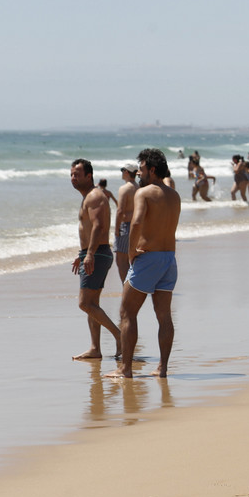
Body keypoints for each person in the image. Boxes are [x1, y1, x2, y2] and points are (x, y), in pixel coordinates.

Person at [105, 148, 181, 379]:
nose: (139, 173)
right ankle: (163, 368)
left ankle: (125, 369)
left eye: (142, 168)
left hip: (148, 258)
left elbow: (136, 223)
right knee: (164, 316)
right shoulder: (174, 195)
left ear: (152, 169)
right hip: (169, 259)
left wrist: (130, 253)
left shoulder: (144, 193)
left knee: (127, 312)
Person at [69, 159, 121, 360]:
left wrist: (89, 253)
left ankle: (119, 336)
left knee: (84, 303)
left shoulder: (95, 196)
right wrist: (82, 253)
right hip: (92, 252)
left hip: (97, 253)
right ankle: (95, 348)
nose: (73, 178)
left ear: (89, 176)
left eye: (77, 174)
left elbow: (100, 226)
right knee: (92, 303)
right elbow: (89, 229)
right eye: (72, 174)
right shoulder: (88, 197)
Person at [114, 164, 139, 281]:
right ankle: (131, 286)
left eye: (122, 170)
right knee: (132, 259)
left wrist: (116, 229)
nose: (121, 172)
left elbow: (120, 211)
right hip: (138, 226)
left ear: (127, 172)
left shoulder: (124, 189)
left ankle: (127, 287)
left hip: (126, 226)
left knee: (121, 260)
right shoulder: (139, 188)